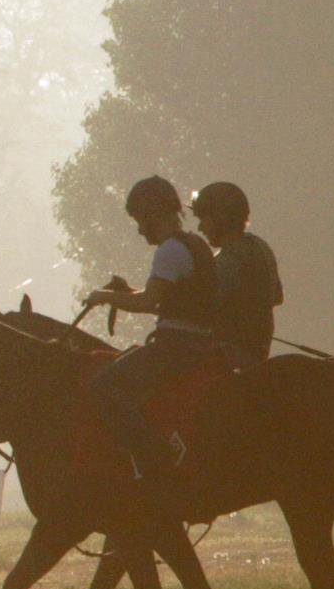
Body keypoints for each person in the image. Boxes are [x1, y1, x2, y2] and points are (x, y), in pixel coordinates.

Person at [84, 176, 224, 478]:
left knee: (103, 387)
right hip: (201, 342)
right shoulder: (194, 244)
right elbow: (164, 298)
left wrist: (103, 297)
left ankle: (151, 459)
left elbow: (149, 303)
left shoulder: (169, 250)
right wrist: (123, 294)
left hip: (176, 347)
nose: (138, 229)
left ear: (151, 214)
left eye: (139, 220)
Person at [193, 181, 281, 364]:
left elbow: (197, 307)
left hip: (227, 356)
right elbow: (278, 297)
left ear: (220, 218)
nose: (200, 228)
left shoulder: (229, 259)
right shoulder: (260, 246)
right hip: (258, 351)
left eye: (204, 219)